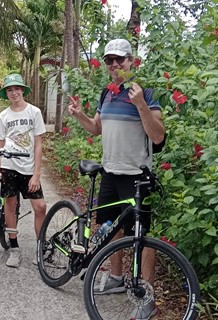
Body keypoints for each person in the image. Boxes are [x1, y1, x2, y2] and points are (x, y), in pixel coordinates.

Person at [67, 39, 165, 320]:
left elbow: (157, 136)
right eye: (109, 60)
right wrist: (79, 115)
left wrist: (141, 104)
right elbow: (96, 129)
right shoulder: (106, 93)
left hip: (137, 175)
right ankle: (115, 278)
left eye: (119, 59)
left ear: (131, 61)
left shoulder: (146, 91)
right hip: (110, 171)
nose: (114, 65)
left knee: (141, 236)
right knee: (110, 229)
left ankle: (147, 297)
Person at [0, 73, 47, 268]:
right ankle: (14, 247)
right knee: (10, 204)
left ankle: (40, 247)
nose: (13, 92)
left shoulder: (34, 112)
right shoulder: (4, 116)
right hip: (9, 166)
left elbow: (39, 144)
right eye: (9, 89)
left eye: (16, 88)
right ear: (6, 93)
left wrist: (37, 174)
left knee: (40, 207)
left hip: (28, 167)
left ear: (23, 90)